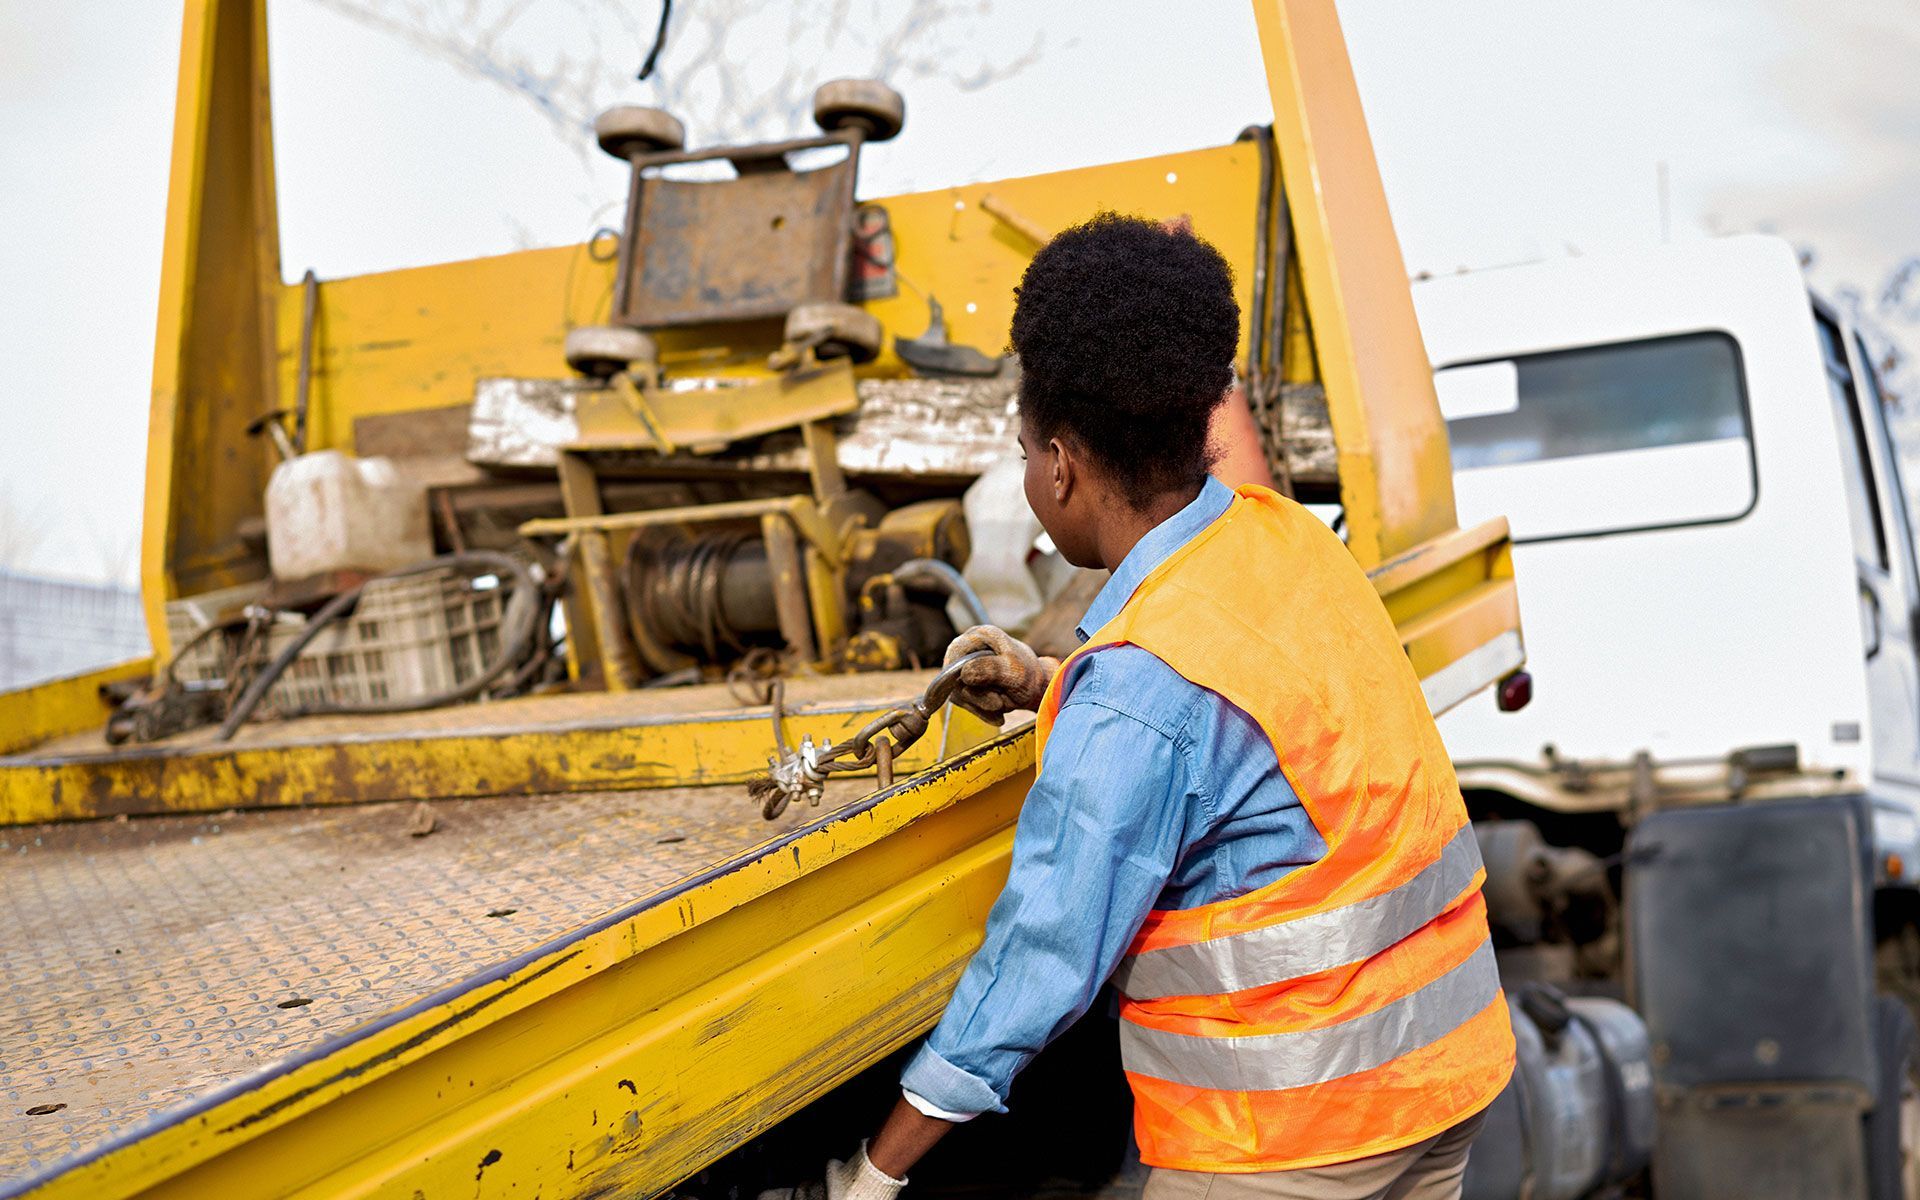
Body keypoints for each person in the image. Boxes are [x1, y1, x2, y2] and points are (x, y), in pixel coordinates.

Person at [782, 213, 1514, 1200]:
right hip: (1437, 1082)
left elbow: (1040, 963)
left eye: (1022, 449)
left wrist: (875, 1171)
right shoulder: (1284, 538)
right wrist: (1051, 683)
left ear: (1061, 465)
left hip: (1290, 1134)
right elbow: (1239, 724)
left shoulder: (1139, 688)